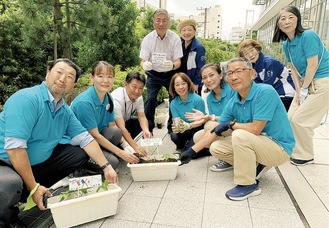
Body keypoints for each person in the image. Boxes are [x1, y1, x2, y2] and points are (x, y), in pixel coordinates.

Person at [0, 59, 118, 226]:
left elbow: (86, 139)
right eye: (59, 72)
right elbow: (15, 149)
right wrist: (33, 186)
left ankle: (39, 189)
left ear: (73, 84)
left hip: (37, 163)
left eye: (70, 76)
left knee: (80, 151)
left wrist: (107, 167)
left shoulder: (64, 110)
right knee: (7, 184)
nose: (63, 78)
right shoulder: (27, 99)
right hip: (6, 163)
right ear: (48, 74)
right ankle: (8, 219)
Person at [180, 57, 295, 201]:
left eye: (239, 71)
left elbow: (255, 129)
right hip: (258, 143)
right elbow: (216, 129)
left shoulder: (265, 92)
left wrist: (231, 125)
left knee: (239, 135)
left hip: (278, 147)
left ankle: (248, 184)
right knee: (216, 147)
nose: (233, 77)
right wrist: (190, 152)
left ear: (252, 73)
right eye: (230, 73)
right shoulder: (234, 100)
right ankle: (254, 165)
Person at [273, 5, 329, 166]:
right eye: (282, 19)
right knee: (289, 118)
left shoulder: (308, 36)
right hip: (306, 83)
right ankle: (293, 149)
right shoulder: (287, 45)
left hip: (323, 81)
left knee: (301, 120)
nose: (287, 21)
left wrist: (304, 88)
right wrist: (299, 90)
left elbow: (312, 65)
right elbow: (294, 70)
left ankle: (305, 155)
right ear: (278, 24)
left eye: (291, 17)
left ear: (297, 19)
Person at [69, 61, 142, 169]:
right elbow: (94, 135)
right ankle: (79, 168)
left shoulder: (108, 98)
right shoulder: (84, 103)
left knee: (116, 132)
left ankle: (102, 154)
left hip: (95, 138)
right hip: (79, 146)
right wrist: (120, 153)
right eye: (100, 76)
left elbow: (112, 126)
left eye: (110, 76)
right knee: (113, 163)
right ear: (91, 77)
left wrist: (126, 145)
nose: (106, 80)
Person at [185, 63, 236, 170]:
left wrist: (209, 118)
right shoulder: (209, 98)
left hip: (237, 127)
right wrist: (200, 119)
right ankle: (227, 156)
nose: (208, 80)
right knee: (197, 137)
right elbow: (217, 120)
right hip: (224, 129)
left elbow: (233, 118)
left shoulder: (232, 90)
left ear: (221, 75)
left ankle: (230, 157)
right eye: (204, 78)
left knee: (209, 125)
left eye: (211, 75)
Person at [139, 9, 183, 133]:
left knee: (174, 100)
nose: (161, 23)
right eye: (158, 20)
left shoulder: (175, 38)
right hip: (153, 74)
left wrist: (172, 65)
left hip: (170, 74)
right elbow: (142, 60)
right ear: (153, 22)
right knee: (150, 99)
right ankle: (148, 129)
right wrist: (144, 64)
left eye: (164, 20)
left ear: (169, 23)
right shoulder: (148, 39)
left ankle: (171, 127)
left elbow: (178, 61)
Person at [238, 39, 295, 111]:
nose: (250, 55)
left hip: (286, 95)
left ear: (257, 49)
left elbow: (266, 86)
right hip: (274, 96)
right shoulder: (252, 66)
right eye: (246, 54)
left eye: (252, 50)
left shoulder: (269, 62)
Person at [111, 71, 152, 155]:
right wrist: (136, 147)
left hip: (125, 122)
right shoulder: (116, 99)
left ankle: (129, 144)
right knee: (117, 132)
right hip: (112, 127)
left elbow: (142, 117)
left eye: (141, 88)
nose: (137, 91)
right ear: (126, 84)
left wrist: (146, 130)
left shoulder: (139, 97)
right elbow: (120, 127)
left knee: (146, 124)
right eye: (134, 87)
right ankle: (123, 146)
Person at [169, 72, 206, 157]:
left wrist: (189, 125)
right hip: (184, 130)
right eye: (177, 85)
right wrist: (176, 126)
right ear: (173, 87)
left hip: (197, 129)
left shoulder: (197, 100)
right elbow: (176, 121)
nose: (181, 87)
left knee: (191, 154)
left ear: (188, 84)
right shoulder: (174, 103)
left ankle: (205, 149)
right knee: (174, 136)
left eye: (183, 83)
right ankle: (186, 144)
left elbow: (202, 121)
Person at [176, 18, 206, 94]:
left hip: (192, 83)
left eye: (189, 30)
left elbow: (201, 68)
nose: (186, 32)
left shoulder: (198, 47)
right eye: (184, 30)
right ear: (180, 32)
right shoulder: (178, 44)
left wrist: (196, 83)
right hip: (180, 82)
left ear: (194, 31)